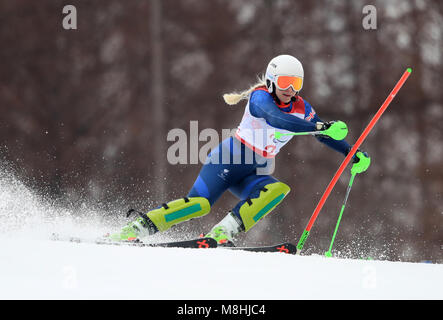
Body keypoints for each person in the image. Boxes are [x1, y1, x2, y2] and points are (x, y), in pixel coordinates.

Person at [108, 54, 370, 245]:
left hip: (256, 169)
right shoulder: (260, 98)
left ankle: (224, 231)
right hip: (228, 159)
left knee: (277, 190)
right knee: (199, 205)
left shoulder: (303, 108)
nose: (291, 90)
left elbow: (320, 135)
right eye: (286, 82)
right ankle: (141, 226)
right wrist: (321, 126)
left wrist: (351, 152)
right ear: (271, 81)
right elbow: (278, 120)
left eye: (297, 84)